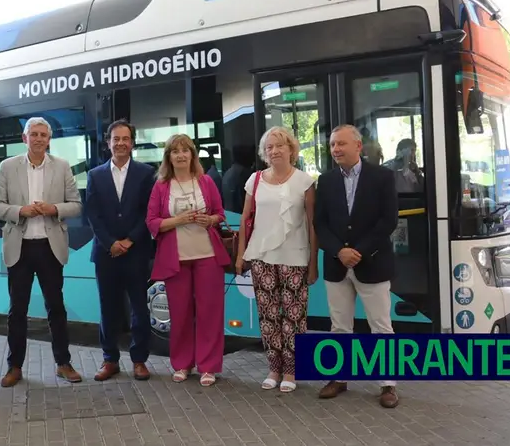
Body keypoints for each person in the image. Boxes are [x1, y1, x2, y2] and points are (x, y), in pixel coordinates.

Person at [0, 117, 83, 387]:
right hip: (19, 247)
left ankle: (63, 363)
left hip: (49, 246)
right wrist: (20, 211)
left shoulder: (62, 166)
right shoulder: (8, 167)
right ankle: (14, 366)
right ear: (25, 138)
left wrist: (54, 209)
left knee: (56, 308)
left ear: (49, 139)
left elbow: (76, 205)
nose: (39, 138)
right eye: (34, 134)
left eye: (44, 134)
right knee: (17, 310)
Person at [313, 124, 399, 408]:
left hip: (372, 263)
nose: (335, 149)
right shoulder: (324, 181)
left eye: (341, 144)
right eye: (332, 145)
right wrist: (339, 251)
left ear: (358, 146)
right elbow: (320, 224)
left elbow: (388, 221)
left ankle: (388, 384)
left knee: (381, 326)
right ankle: (339, 378)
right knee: (339, 327)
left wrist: (357, 251)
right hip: (337, 266)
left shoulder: (382, 177)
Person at [235, 127, 318, 393]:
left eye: (280, 145)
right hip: (261, 256)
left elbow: (312, 224)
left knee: (294, 318)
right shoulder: (255, 180)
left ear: (291, 149)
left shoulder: (304, 181)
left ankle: (292, 371)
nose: (274, 151)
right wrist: (240, 256)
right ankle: (273, 368)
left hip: (295, 256)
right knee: (268, 316)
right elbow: (245, 220)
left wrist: (313, 262)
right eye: (269, 147)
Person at [145, 133, 230, 387]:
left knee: (210, 313)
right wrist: (178, 221)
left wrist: (211, 220)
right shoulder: (161, 186)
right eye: (175, 151)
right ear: (168, 157)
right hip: (176, 259)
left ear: (192, 155)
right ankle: (182, 364)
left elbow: (220, 213)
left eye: (186, 150)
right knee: (180, 314)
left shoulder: (205, 181)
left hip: (208, 256)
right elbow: (151, 222)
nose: (181, 155)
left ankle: (208, 367)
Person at [85, 119, 156, 381]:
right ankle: (109, 360)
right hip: (106, 253)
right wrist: (110, 243)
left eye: (126, 139)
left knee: (139, 307)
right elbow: (92, 214)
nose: (121, 143)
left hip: (136, 252)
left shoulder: (147, 173)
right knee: (108, 308)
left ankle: (139, 360)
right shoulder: (94, 175)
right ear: (108, 143)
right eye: (116, 139)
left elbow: (148, 212)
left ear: (132, 143)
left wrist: (129, 241)